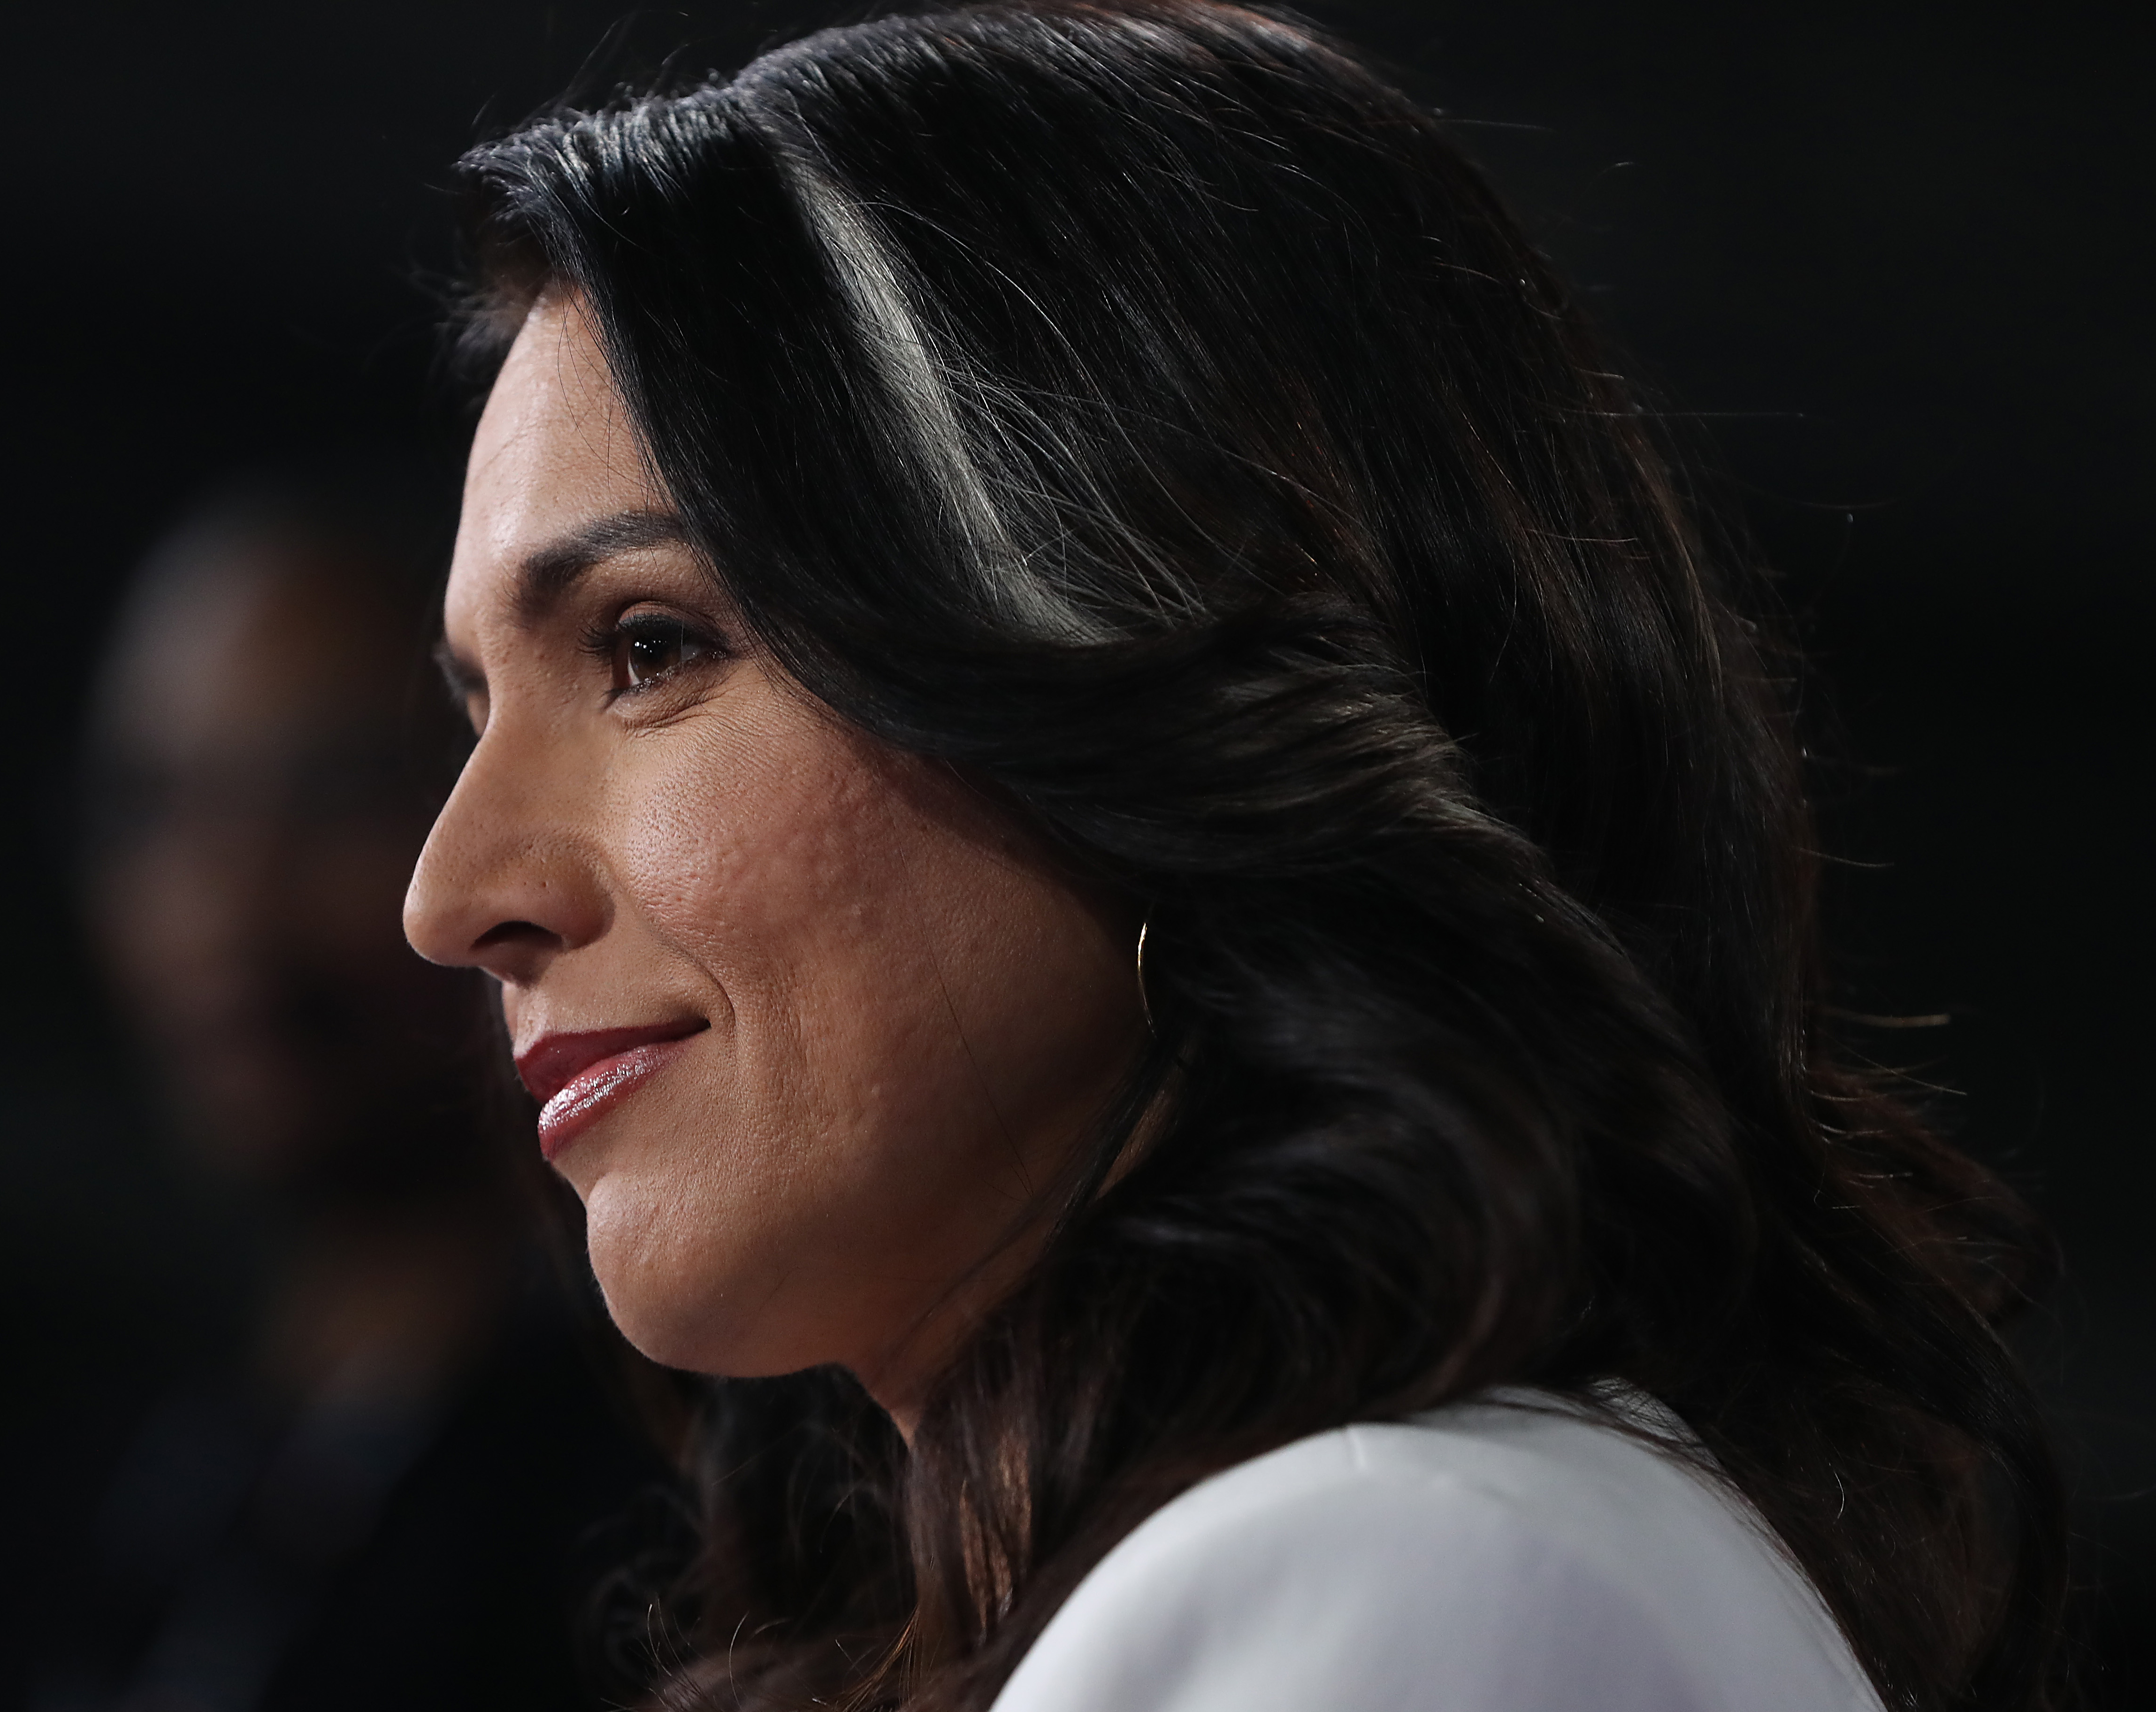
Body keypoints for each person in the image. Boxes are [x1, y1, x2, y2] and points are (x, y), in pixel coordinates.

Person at [402, 5, 2069, 1711]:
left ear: (1145, 674)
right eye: (476, 714)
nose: (451, 897)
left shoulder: (1404, 1581)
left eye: (651, 648)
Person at [0, 467, 670, 1712]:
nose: (226, 904)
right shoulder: (81, 1493)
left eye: (330, 795)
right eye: (156, 807)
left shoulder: (653, 1488)